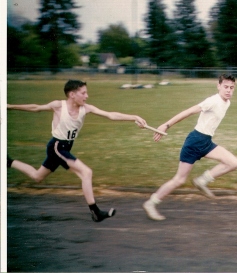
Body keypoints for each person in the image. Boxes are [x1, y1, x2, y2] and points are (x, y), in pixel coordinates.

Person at [7, 80, 147, 222]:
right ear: (72, 94)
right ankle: (95, 212)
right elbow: (35, 108)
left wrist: (134, 117)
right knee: (86, 172)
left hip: (65, 148)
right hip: (57, 146)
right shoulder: (58, 106)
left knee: (37, 177)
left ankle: (7, 161)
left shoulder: (86, 108)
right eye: (83, 93)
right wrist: (9, 106)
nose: (86, 96)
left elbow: (111, 115)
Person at [143, 74, 237, 221]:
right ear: (218, 86)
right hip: (194, 142)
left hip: (206, 142)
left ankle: (202, 181)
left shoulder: (227, 103)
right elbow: (188, 112)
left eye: (232, 88)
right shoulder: (212, 101)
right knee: (179, 180)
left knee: (233, 163)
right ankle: (151, 203)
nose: (228, 90)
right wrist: (166, 125)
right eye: (225, 87)